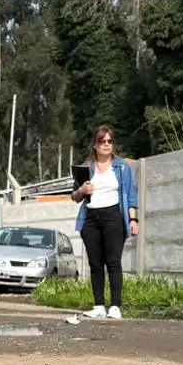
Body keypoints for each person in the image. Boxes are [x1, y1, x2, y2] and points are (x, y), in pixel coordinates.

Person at [72, 126, 139, 319]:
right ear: (95, 145)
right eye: (102, 141)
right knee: (95, 263)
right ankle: (99, 305)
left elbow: (131, 196)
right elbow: (74, 196)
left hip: (114, 217)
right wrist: (81, 191)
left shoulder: (122, 167)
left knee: (113, 261)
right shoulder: (86, 168)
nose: (107, 145)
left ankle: (115, 306)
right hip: (90, 219)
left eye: (109, 141)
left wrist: (133, 219)